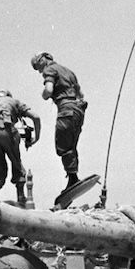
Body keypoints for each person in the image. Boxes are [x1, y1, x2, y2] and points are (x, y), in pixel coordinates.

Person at [31, 52, 88, 190]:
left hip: (66, 110)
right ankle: (73, 177)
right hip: (78, 111)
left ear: (43, 60)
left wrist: (44, 95)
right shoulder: (69, 71)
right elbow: (81, 94)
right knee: (71, 145)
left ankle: (73, 179)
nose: (40, 71)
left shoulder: (49, 70)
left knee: (63, 145)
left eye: (38, 67)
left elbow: (48, 90)